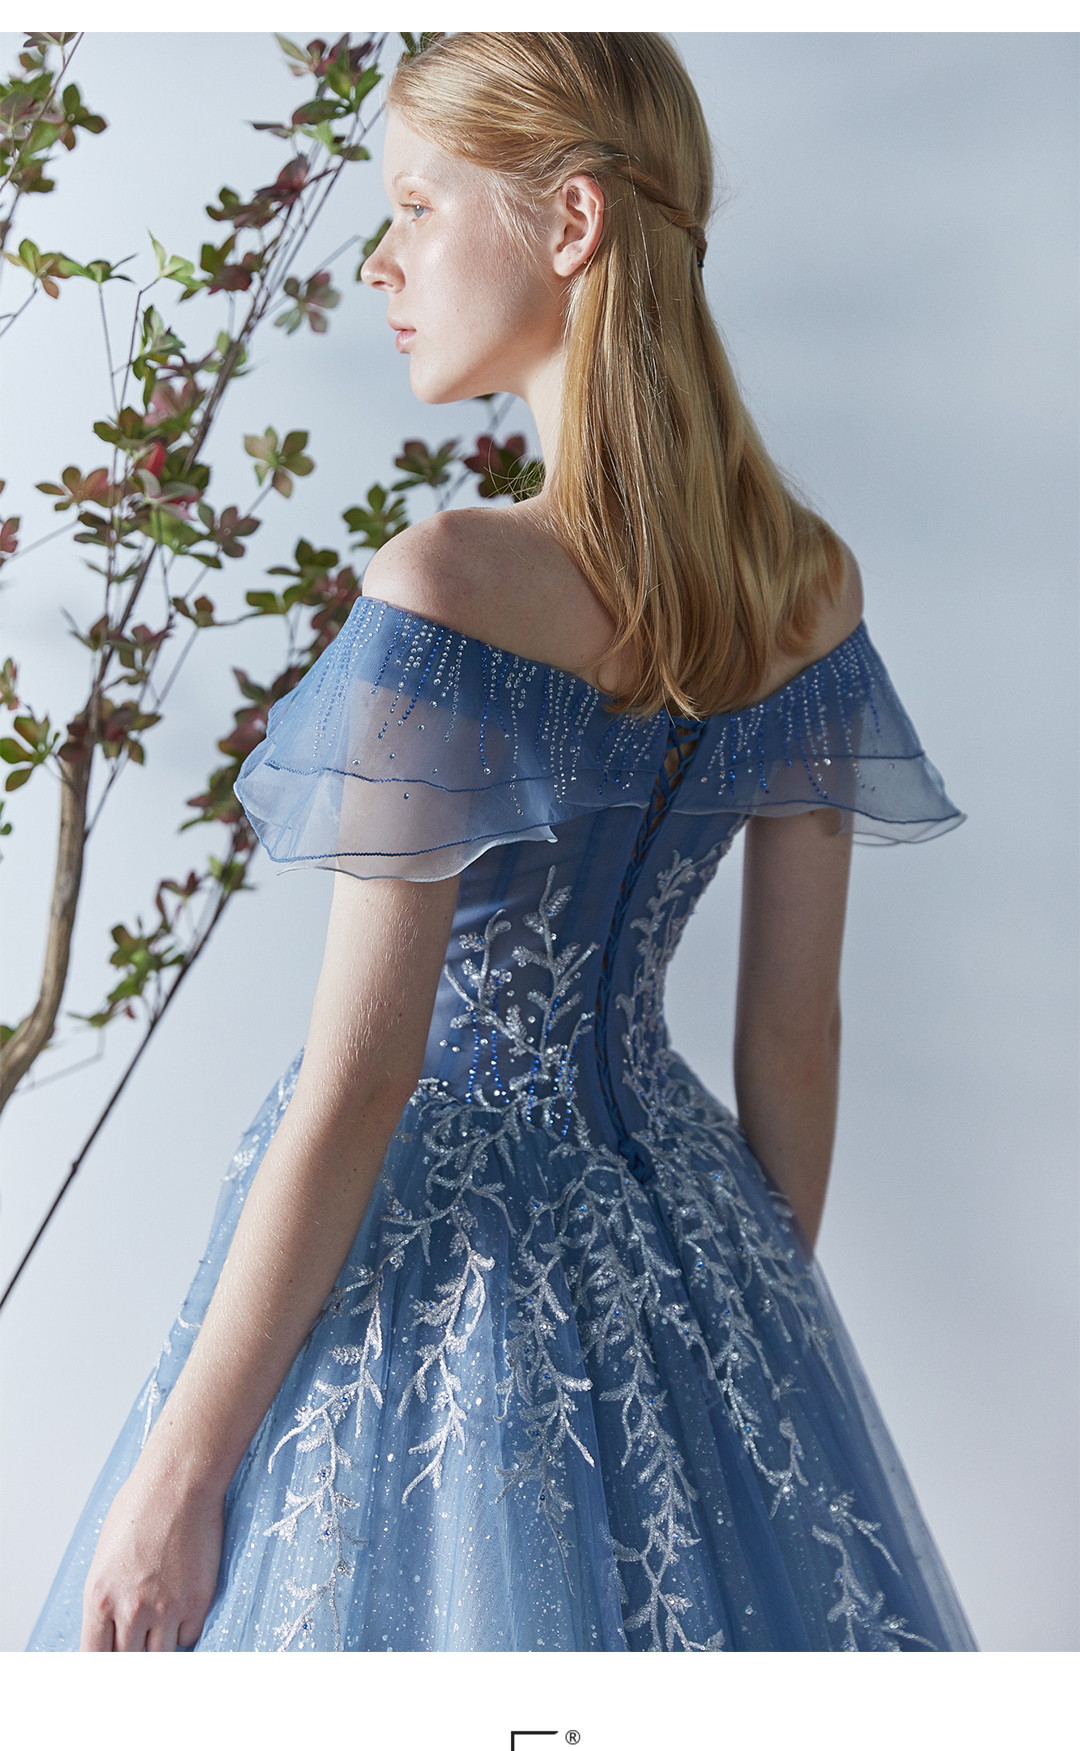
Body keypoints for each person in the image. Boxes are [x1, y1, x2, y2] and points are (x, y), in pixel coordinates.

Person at [28, 32, 975, 1653]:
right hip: (689, 1219)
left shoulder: (449, 585)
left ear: (572, 222)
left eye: (414, 204)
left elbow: (364, 1076)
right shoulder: (806, 586)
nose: (379, 261)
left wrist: (181, 1476)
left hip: (436, 1252)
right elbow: (793, 1035)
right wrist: (739, 1337)